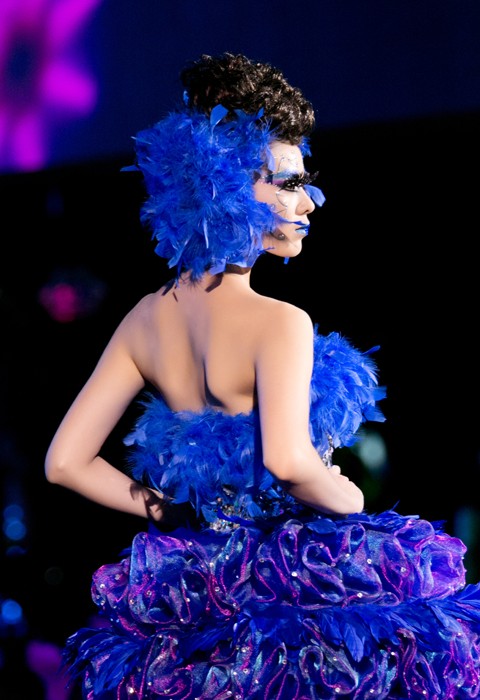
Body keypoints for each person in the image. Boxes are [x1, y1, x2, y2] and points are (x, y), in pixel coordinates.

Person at [45, 52, 480, 699]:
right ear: (221, 184)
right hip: (296, 589)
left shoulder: (144, 320)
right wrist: (348, 500)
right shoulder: (280, 322)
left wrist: (171, 510)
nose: (308, 202)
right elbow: (287, 460)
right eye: (288, 183)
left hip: (199, 592)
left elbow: (65, 462)